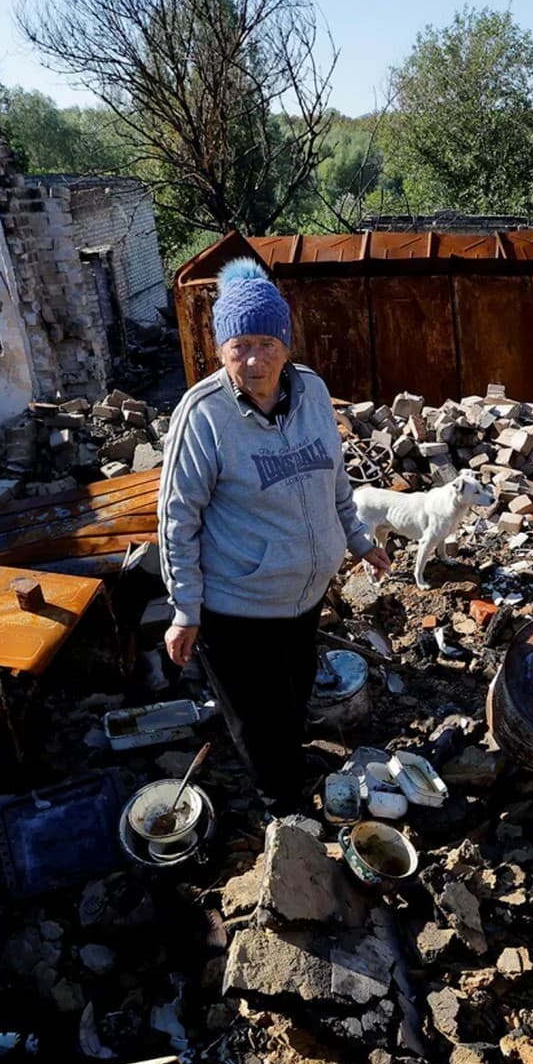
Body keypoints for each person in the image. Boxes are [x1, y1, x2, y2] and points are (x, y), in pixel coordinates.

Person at [157, 258, 392, 805]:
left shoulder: (310, 390)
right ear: (220, 350)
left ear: (286, 345)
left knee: (294, 692)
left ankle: (291, 759)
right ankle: (279, 806)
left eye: (266, 343)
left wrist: (357, 540)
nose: (254, 360)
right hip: (238, 605)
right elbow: (177, 519)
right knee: (256, 716)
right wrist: (185, 609)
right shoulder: (203, 415)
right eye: (239, 346)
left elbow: (332, 476)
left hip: (304, 596)